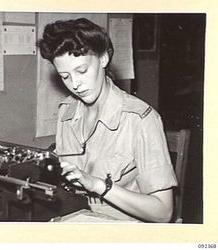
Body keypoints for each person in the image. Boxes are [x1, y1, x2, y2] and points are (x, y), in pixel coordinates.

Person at [37, 18, 177, 222]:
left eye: (82, 71)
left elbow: (163, 212)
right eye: (65, 76)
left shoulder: (140, 119)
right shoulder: (67, 112)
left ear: (103, 59)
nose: (75, 84)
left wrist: (98, 185)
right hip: (77, 218)